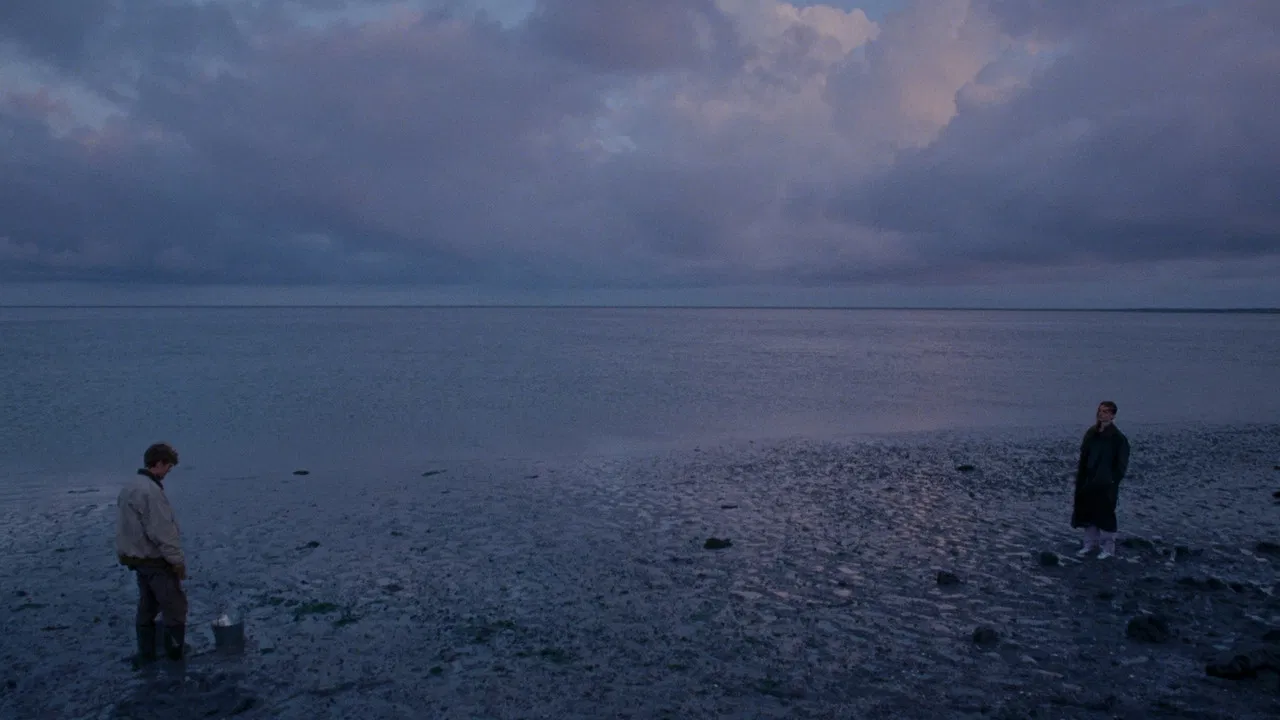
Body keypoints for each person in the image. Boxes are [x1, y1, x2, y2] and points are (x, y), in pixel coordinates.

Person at [116, 442, 188, 665]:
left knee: (147, 605)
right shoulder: (150, 492)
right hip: (154, 560)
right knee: (175, 606)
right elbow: (162, 532)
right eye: (168, 466)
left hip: (136, 558)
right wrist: (177, 562)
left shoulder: (130, 486)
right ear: (158, 464)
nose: (168, 472)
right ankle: (176, 654)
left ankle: (146, 654)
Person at [1071, 401, 1130, 559]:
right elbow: (1084, 456)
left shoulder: (1118, 438)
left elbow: (1121, 465)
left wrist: (1111, 481)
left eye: (1105, 411)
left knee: (1106, 515)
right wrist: (1082, 478)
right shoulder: (1091, 433)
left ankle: (1108, 549)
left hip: (1105, 484)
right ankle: (1090, 545)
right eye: (1100, 411)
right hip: (1088, 480)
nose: (1101, 414)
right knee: (1088, 514)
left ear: (1112, 415)